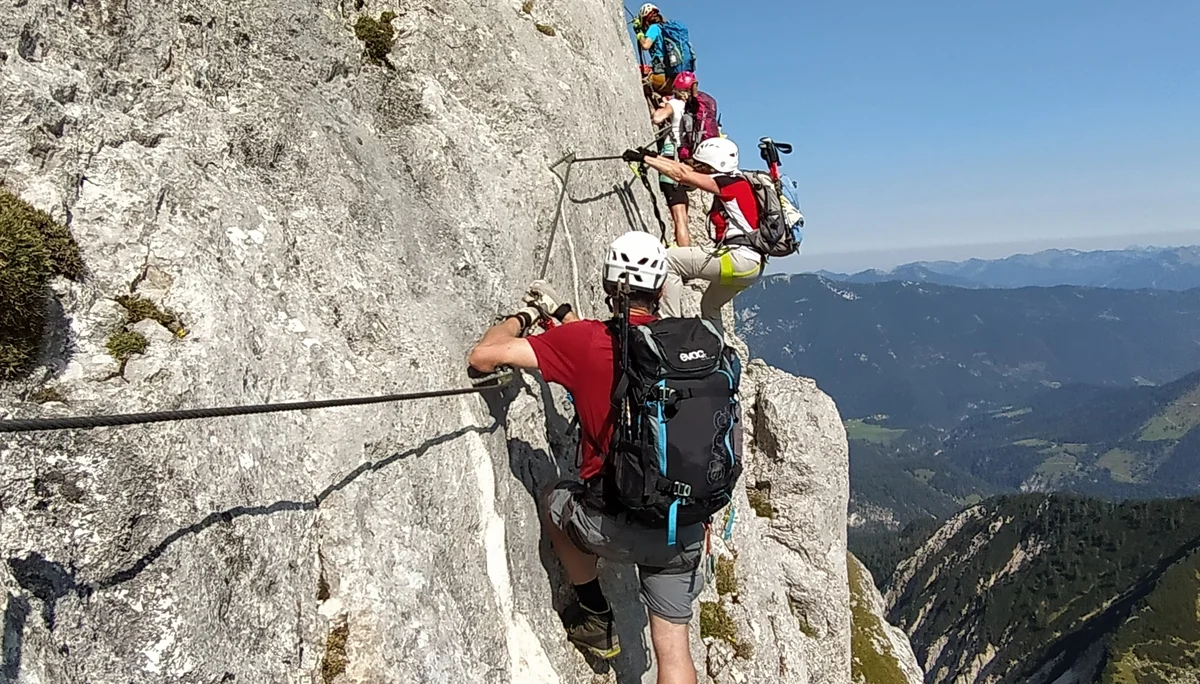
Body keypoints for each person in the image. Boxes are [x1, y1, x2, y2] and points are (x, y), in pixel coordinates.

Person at [468, 232, 705, 684]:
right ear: (660, 291)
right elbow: (624, 351)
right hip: (683, 524)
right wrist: (563, 319)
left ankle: (595, 613)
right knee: (673, 652)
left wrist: (524, 316)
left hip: (616, 520)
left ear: (607, 284)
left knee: (554, 498)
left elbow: (484, 357)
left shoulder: (584, 343)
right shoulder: (684, 349)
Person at [623, 138, 763, 335]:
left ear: (714, 164)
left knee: (667, 260)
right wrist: (655, 158)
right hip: (752, 267)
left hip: (737, 259)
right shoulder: (736, 181)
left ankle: (668, 328)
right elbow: (686, 171)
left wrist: (645, 158)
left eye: (703, 165)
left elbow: (681, 175)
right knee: (711, 307)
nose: (700, 169)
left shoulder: (728, 184)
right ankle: (719, 354)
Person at [650, 71, 697, 248]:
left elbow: (657, 118)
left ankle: (684, 260)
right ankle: (688, 258)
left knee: (678, 218)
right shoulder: (694, 108)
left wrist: (664, 106)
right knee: (683, 217)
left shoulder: (675, 104)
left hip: (671, 162)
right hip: (689, 165)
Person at [635, 3, 691, 97]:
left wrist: (639, 33)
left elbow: (645, 45)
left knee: (636, 82)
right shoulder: (666, 30)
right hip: (673, 82)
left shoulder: (654, 28)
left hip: (660, 78)